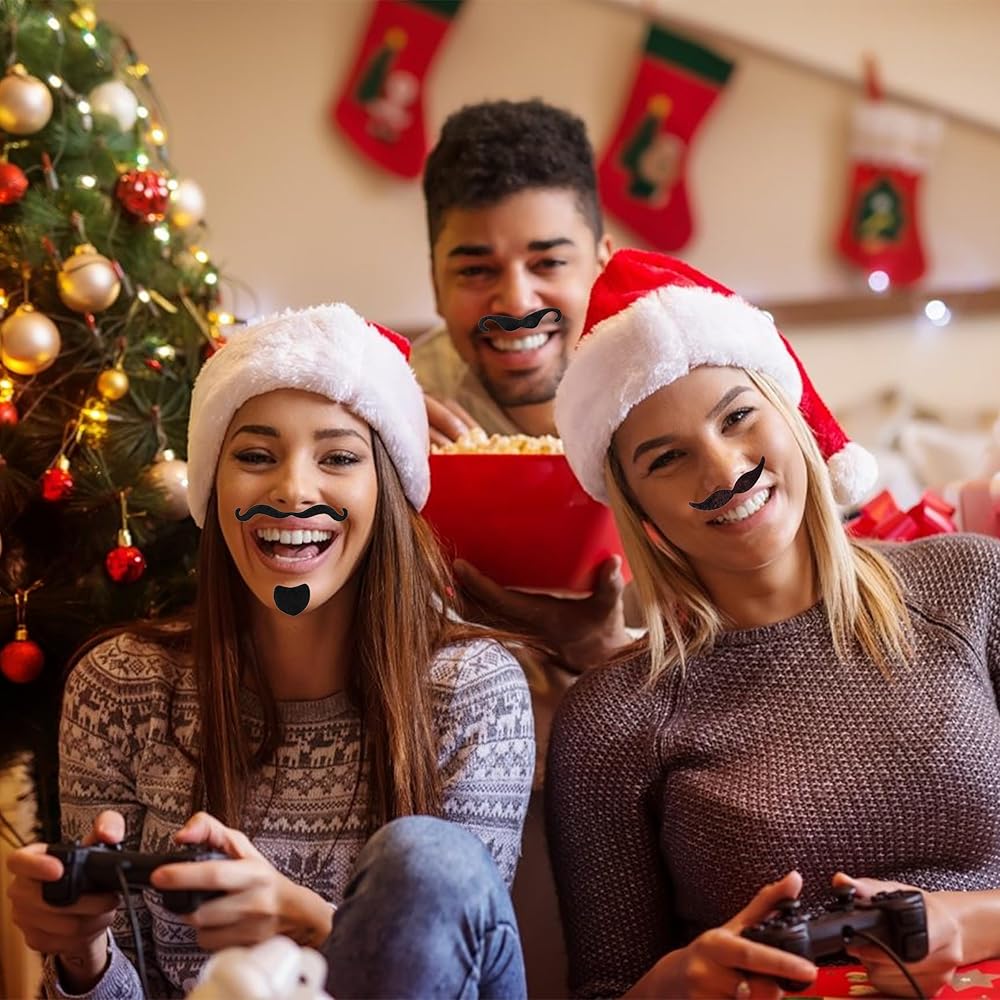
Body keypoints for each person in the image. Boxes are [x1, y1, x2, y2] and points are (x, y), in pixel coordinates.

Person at [7, 304, 535, 999]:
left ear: (388, 488)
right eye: (255, 456)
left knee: (426, 861)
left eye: (339, 458)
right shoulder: (121, 685)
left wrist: (305, 921)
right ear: (213, 489)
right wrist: (84, 956)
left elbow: (454, 970)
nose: (292, 490)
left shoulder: (472, 687)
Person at [546, 248, 1000, 999]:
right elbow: (607, 991)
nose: (723, 471)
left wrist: (964, 922)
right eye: (667, 459)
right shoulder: (612, 719)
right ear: (638, 508)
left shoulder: (973, 586)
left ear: (789, 415)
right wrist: (681, 980)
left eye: (738, 418)